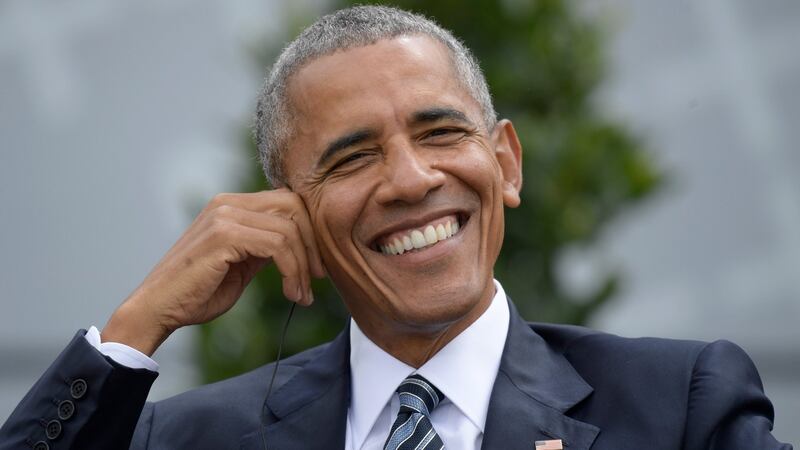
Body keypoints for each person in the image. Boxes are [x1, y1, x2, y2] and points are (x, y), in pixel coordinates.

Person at [0, 5, 791, 450]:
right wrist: (137, 328)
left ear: (506, 163)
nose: (412, 180)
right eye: (351, 158)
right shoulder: (187, 438)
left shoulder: (679, 408)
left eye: (441, 132)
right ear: (288, 216)